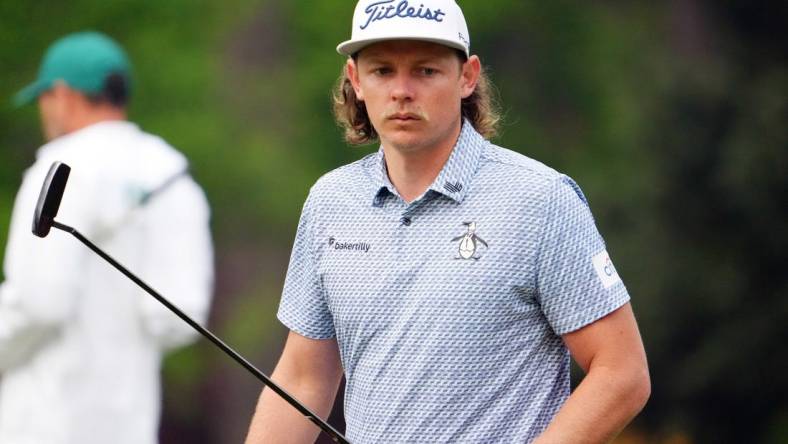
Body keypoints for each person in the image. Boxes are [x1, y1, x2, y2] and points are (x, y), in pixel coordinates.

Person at [245, 0, 650, 442]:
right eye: (383, 71)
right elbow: (305, 379)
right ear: (355, 81)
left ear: (467, 77)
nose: (402, 91)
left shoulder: (541, 199)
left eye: (425, 71)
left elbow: (621, 373)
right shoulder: (331, 201)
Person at [0, 31, 214, 444]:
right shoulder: (171, 175)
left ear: (61, 94)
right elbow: (176, 319)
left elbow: (38, 303)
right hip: (129, 426)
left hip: (41, 424)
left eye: (44, 98)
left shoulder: (58, 168)